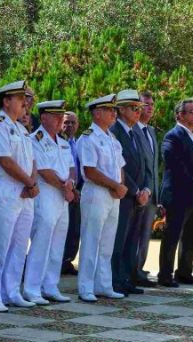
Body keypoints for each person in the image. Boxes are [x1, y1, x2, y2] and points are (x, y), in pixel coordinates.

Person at [0, 80, 39, 311]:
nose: (25, 102)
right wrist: (28, 181)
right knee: (0, 242)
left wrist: (32, 182)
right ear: (6, 101)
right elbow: (4, 160)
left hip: (25, 191)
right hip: (6, 189)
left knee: (19, 243)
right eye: (19, 98)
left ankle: (11, 290)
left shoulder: (20, 128)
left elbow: (32, 160)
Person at [77, 94, 128, 302]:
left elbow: (120, 166)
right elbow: (90, 170)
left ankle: (103, 284)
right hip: (96, 193)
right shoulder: (88, 138)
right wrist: (115, 185)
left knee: (107, 242)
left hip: (113, 195)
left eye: (114, 110)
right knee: (91, 240)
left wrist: (121, 186)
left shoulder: (112, 138)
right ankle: (86, 287)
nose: (114, 114)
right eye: (109, 110)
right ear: (97, 113)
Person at [23, 100, 75, 305]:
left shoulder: (62, 142)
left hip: (63, 196)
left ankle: (50, 285)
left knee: (57, 242)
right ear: (43, 117)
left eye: (61, 116)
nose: (60, 119)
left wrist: (70, 182)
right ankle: (32, 288)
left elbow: (71, 166)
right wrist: (64, 186)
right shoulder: (35, 139)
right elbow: (43, 170)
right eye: (55, 115)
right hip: (46, 193)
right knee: (41, 242)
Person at [158, 98, 193, 287]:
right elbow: (176, 166)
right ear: (180, 115)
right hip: (178, 195)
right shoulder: (172, 136)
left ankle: (184, 272)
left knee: (192, 235)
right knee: (172, 235)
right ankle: (165, 274)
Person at [110, 89, 152, 296]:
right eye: (134, 108)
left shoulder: (135, 132)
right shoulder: (114, 131)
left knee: (132, 239)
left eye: (139, 108)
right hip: (125, 195)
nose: (138, 112)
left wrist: (145, 189)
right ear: (122, 110)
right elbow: (121, 167)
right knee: (119, 239)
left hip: (137, 197)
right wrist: (136, 190)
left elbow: (144, 164)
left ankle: (126, 278)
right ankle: (115, 279)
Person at [136, 91, 160, 284]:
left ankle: (139, 268)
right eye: (146, 104)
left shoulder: (151, 131)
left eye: (152, 104)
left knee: (145, 235)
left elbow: (154, 166)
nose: (150, 107)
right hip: (138, 193)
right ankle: (130, 269)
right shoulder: (132, 130)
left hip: (152, 194)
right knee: (133, 234)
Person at [61, 111, 82, 275]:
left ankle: (68, 260)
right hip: (62, 190)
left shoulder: (79, 143)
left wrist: (78, 189)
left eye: (73, 123)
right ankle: (59, 261)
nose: (69, 126)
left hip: (78, 191)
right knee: (62, 229)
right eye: (66, 122)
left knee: (75, 229)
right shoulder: (57, 142)